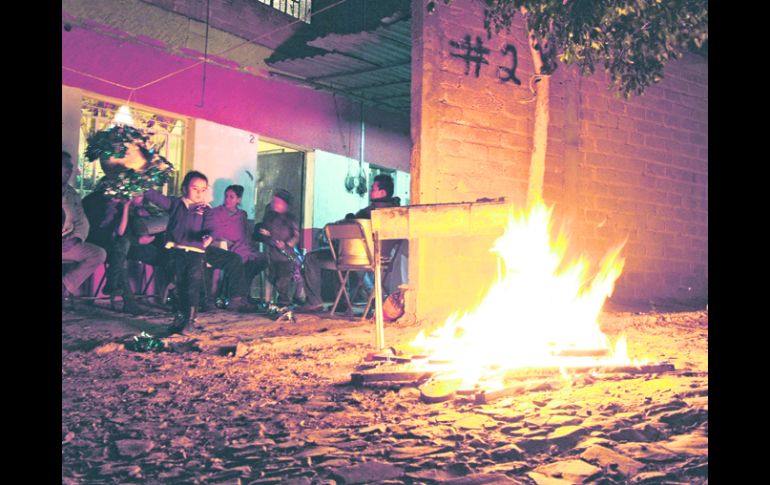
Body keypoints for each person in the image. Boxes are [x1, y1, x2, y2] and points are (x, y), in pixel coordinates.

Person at [298, 174, 401, 312]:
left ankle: (314, 302)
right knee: (342, 255)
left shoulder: (367, 214)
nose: (370, 190)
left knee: (313, 258)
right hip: (384, 258)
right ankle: (343, 302)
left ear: (382, 193)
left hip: (358, 258)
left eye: (373, 188)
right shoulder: (396, 214)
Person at [144, 171, 215, 334]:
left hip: (195, 254)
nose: (199, 193)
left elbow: (211, 227)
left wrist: (208, 236)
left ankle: (190, 321)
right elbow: (155, 197)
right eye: (195, 188)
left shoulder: (206, 210)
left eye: (203, 189)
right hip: (175, 252)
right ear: (184, 188)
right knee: (177, 285)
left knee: (192, 285)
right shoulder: (175, 204)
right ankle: (179, 318)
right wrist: (143, 184)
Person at [82, 190, 166, 315]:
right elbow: (118, 233)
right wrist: (125, 208)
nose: (137, 197)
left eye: (140, 194)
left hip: (129, 246)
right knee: (122, 250)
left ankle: (173, 292)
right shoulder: (100, 202)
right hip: (106, 245)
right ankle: (128, 301)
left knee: (160, 251)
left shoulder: (143, 208)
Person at [203, 185, 267, 307]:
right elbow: (210, 232)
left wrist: (246, 245)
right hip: (221, 247)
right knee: (237, 259)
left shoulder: (242, 215)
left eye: (231, 197)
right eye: (226, 196)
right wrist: (225, 242)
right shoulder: (215, 213)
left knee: (259, 260)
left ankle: (243, 295)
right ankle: (236, 298)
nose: (227, 199)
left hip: (240, 246)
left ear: (238, 199)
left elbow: (244, 235)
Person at [62, 151, 107, 305]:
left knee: (98, 253)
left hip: (66, 243)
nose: (70, 170)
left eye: (71, 166)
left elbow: (82, 222)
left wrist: (75, 239)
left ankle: (65, 286)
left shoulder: (72, 194)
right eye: (66, 166)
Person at [255, 189, 304, 307]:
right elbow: (263, 233)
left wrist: (286, 245)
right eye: (274, 202)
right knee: (272, 276)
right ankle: (270, 302)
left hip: (286, 256)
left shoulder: (290, 219)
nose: (274, 204)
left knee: (284, 278)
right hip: (271, 255)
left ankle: (284, 301)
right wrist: (266, 236)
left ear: (285, 205)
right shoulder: (269, 217)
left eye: (277, 202)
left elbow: (296, 236)